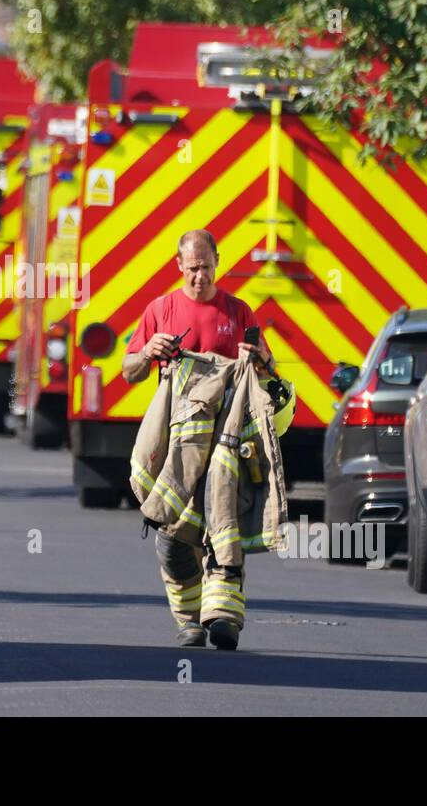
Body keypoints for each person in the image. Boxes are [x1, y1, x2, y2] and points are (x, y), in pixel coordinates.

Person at [122, 229, 274, 651]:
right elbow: (129, 370)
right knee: (173, 534)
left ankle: (224, 617)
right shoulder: (161, 309)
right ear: (179, 266)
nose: (199, 277)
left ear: (217, 263)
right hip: (179, 445)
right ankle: (189, 621)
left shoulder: (239, 311)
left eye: (206, 268)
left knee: (224, 524)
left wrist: (260, 360)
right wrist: (148, 351)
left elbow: (267, 373)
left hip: (227, 444)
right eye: (191, 269)